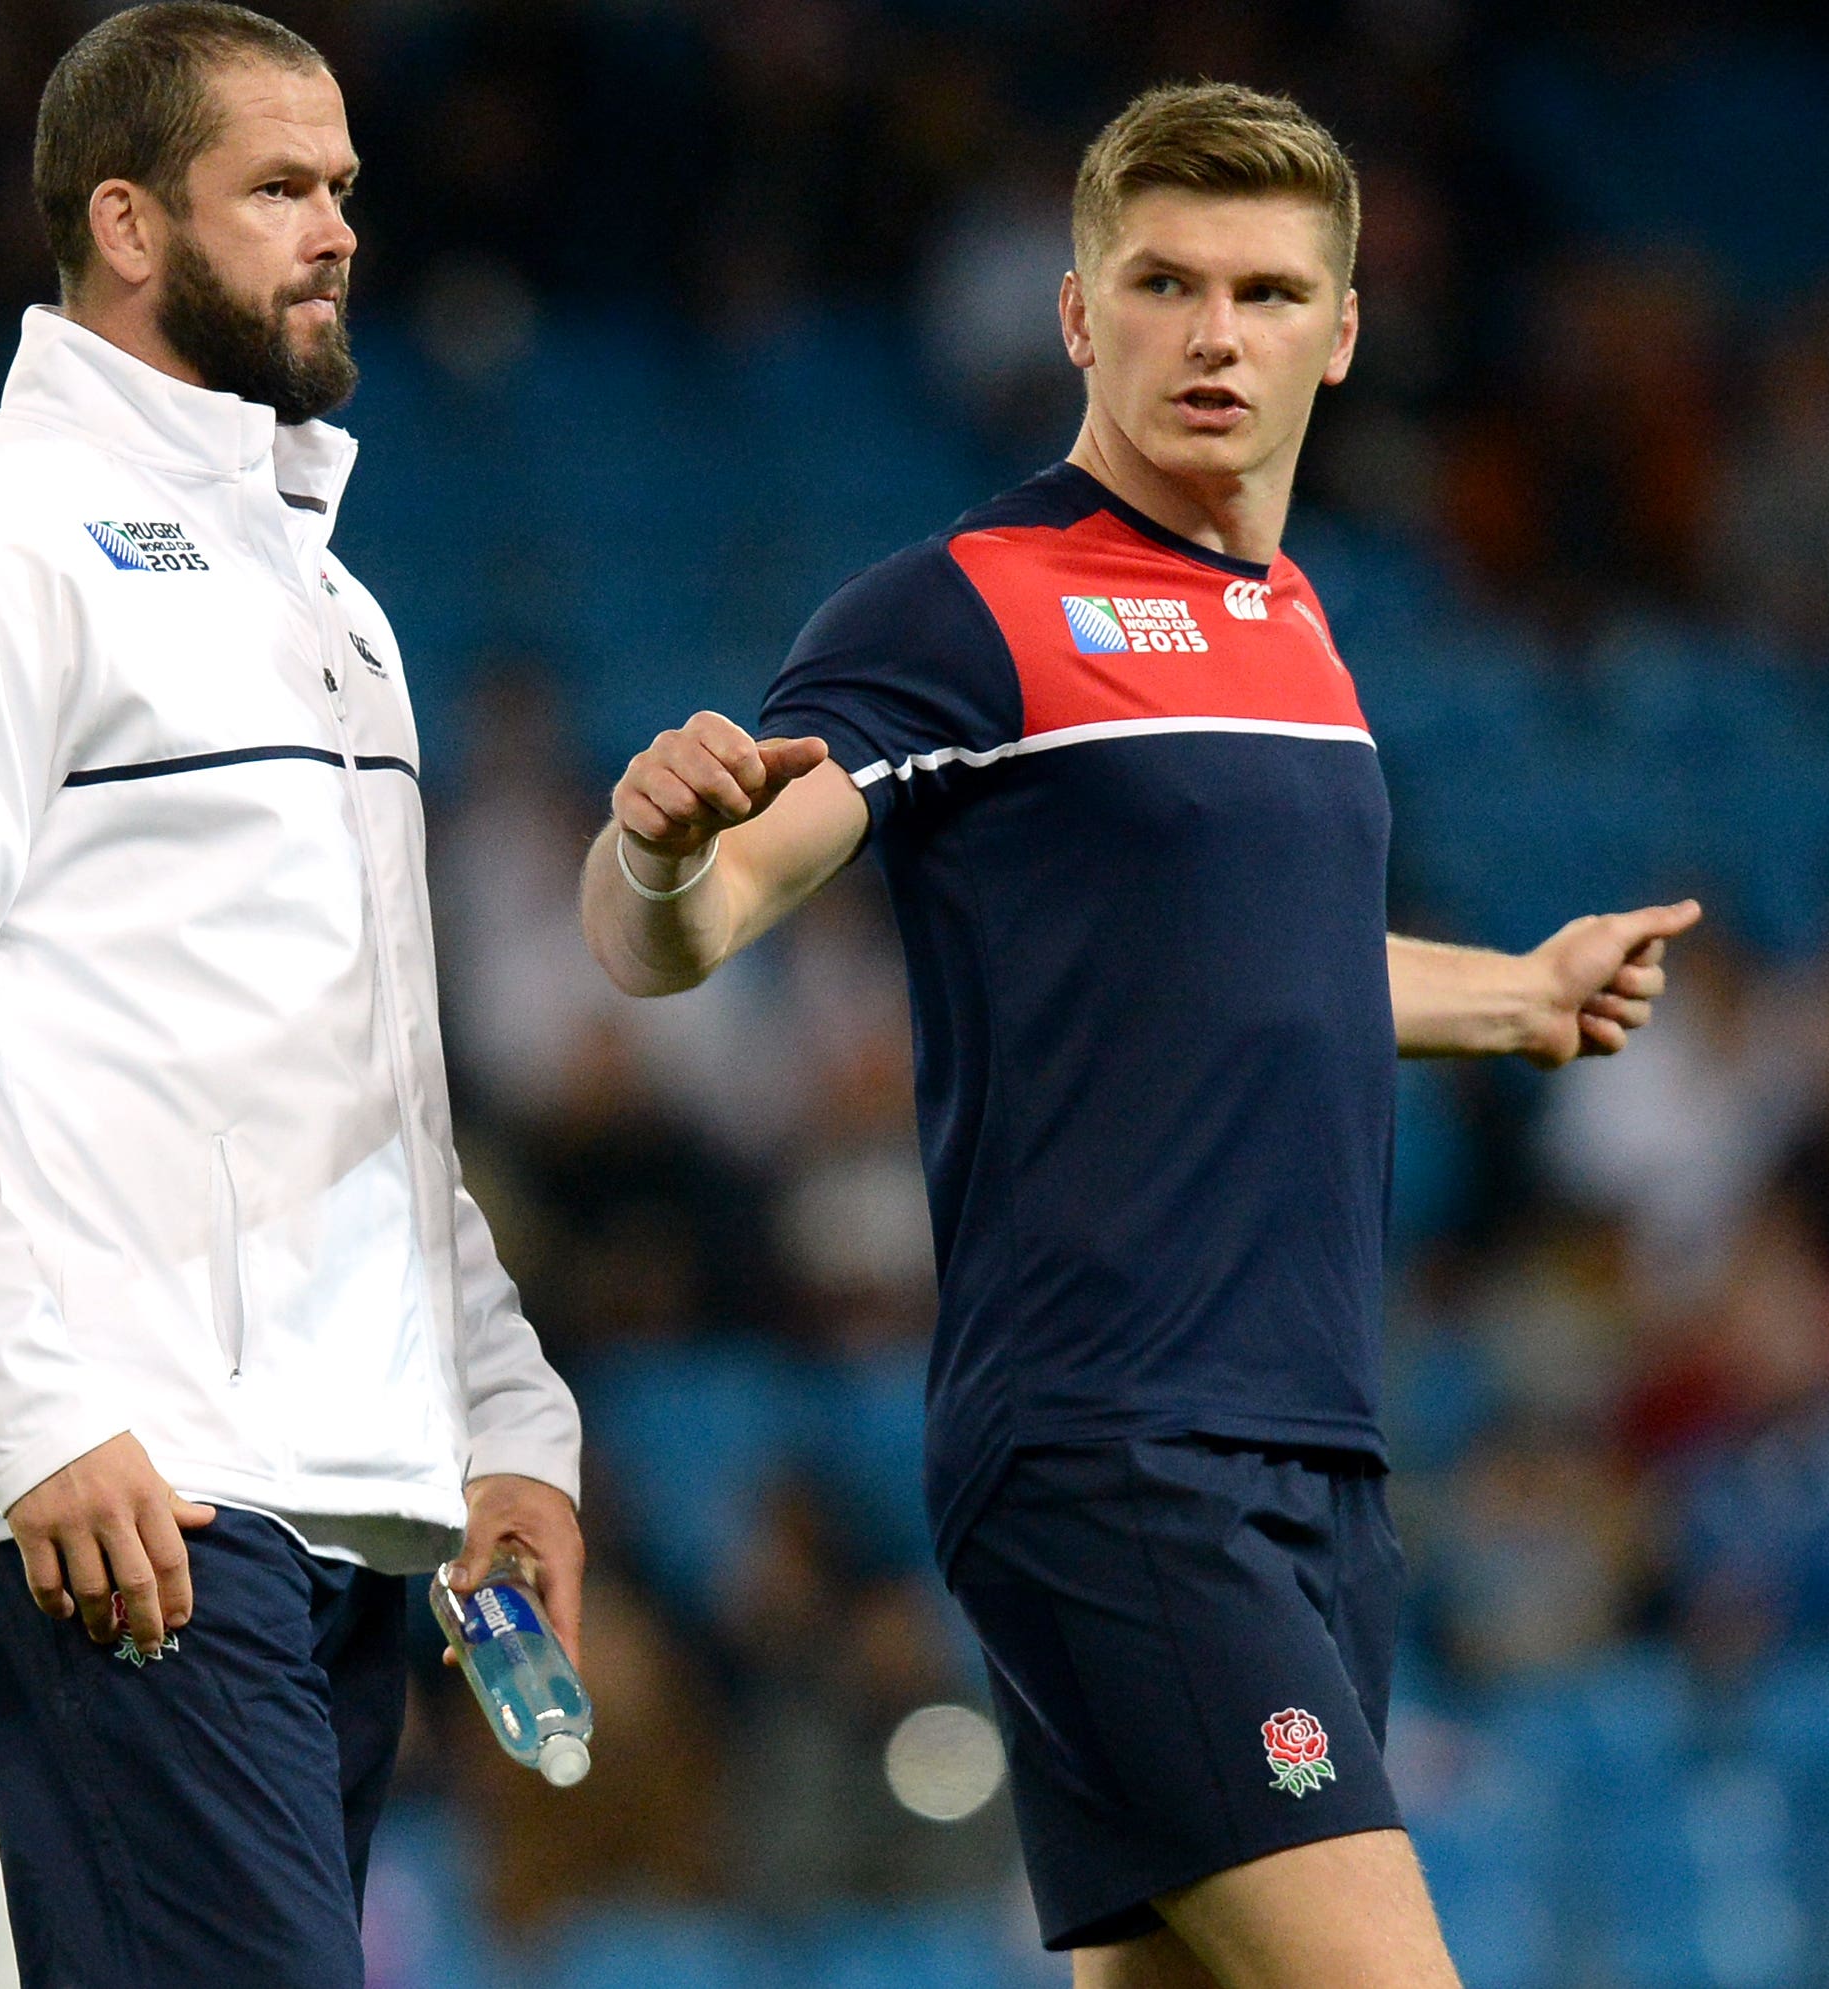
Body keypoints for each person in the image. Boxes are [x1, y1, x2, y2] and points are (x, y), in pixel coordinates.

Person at [580, 82, 1696, 1989]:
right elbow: (684, 926)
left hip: (1315, 1456)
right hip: (1124, 1450)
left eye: (1266, 290)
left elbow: (1249, 961)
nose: (1214, 331)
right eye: (1163, 282)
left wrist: (1512, 995)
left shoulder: (1299, 620)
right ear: (1080, 315)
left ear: (1341, 331)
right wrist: (655, 850)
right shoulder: (965, 610)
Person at [0, 9, 583, 1984]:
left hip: (350, 1494)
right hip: (129, 1496)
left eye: (346, 191)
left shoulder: (331, 605)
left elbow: (376, 1069)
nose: (335, 232)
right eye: (279, 189)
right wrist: (42, 1412)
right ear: (125, 221)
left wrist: (503, 1410)